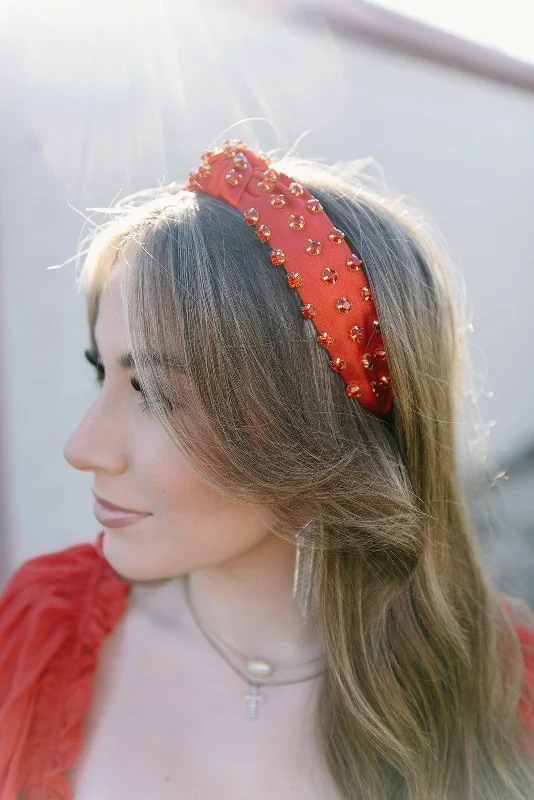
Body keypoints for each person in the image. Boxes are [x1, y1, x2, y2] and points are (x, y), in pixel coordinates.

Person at [0, 138, 533, 800]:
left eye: (155, 394)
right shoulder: (39, 632)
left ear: (313, 428)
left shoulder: (499, 692)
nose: (83, 447)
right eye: (101, 372)